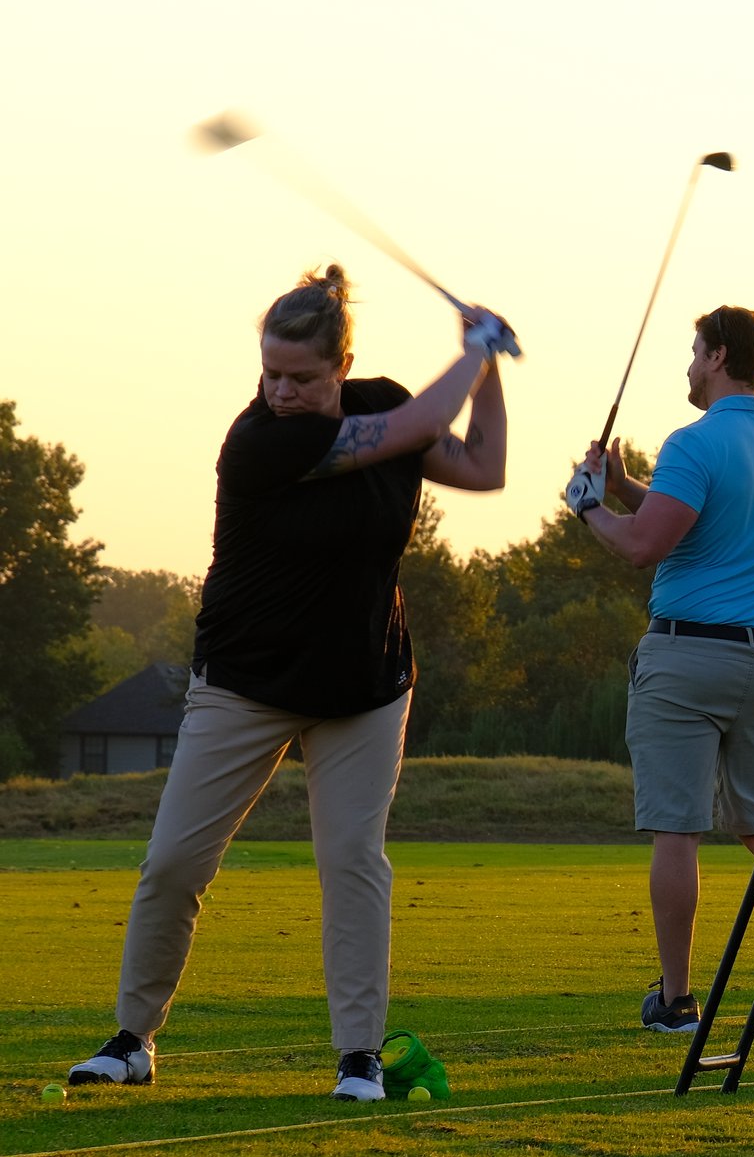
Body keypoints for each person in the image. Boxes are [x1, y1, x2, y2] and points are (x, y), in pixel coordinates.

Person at [68, 267, 513, 1100]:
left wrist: (486, 372)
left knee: (352, 861)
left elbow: (484, 466)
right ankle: (131, 1040)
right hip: (246, 679)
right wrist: (475, 348)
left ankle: (359, 1057)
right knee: (174, 861)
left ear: (343, 366)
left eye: (302, 377)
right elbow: (418, 419)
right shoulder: (259, 441)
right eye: (270, 372)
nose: (281, 390)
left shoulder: (377, 406)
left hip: (365, 685)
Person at [571, 307, 754, 1037]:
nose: (689, 365)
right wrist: (629, 481)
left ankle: (675, 998)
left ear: (720, 355)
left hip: (687, 656)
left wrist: (587, 506)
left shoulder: (693, 443)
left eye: (695, 351)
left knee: (678, 829)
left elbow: (642, 546)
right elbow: (685, 517)